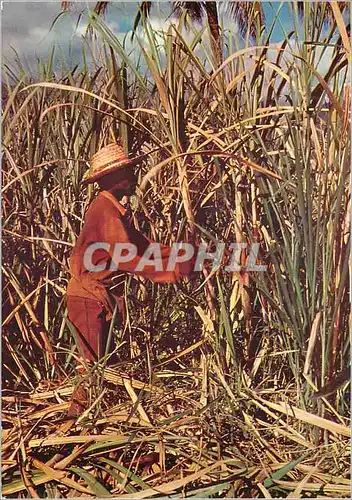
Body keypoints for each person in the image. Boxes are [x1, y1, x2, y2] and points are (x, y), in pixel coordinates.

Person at [66, 143, 194, 416]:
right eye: (128, 172)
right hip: (90, 297)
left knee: (100, 366)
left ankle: (91, 423)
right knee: (90, 368)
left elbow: (142, 246)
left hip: (96, 296)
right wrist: (170, 273)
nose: (134, 176)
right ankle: (73, 428)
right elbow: (127, 258)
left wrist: (188, 256)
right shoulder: (105, 211)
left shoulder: (112, 211)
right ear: (113, 180)